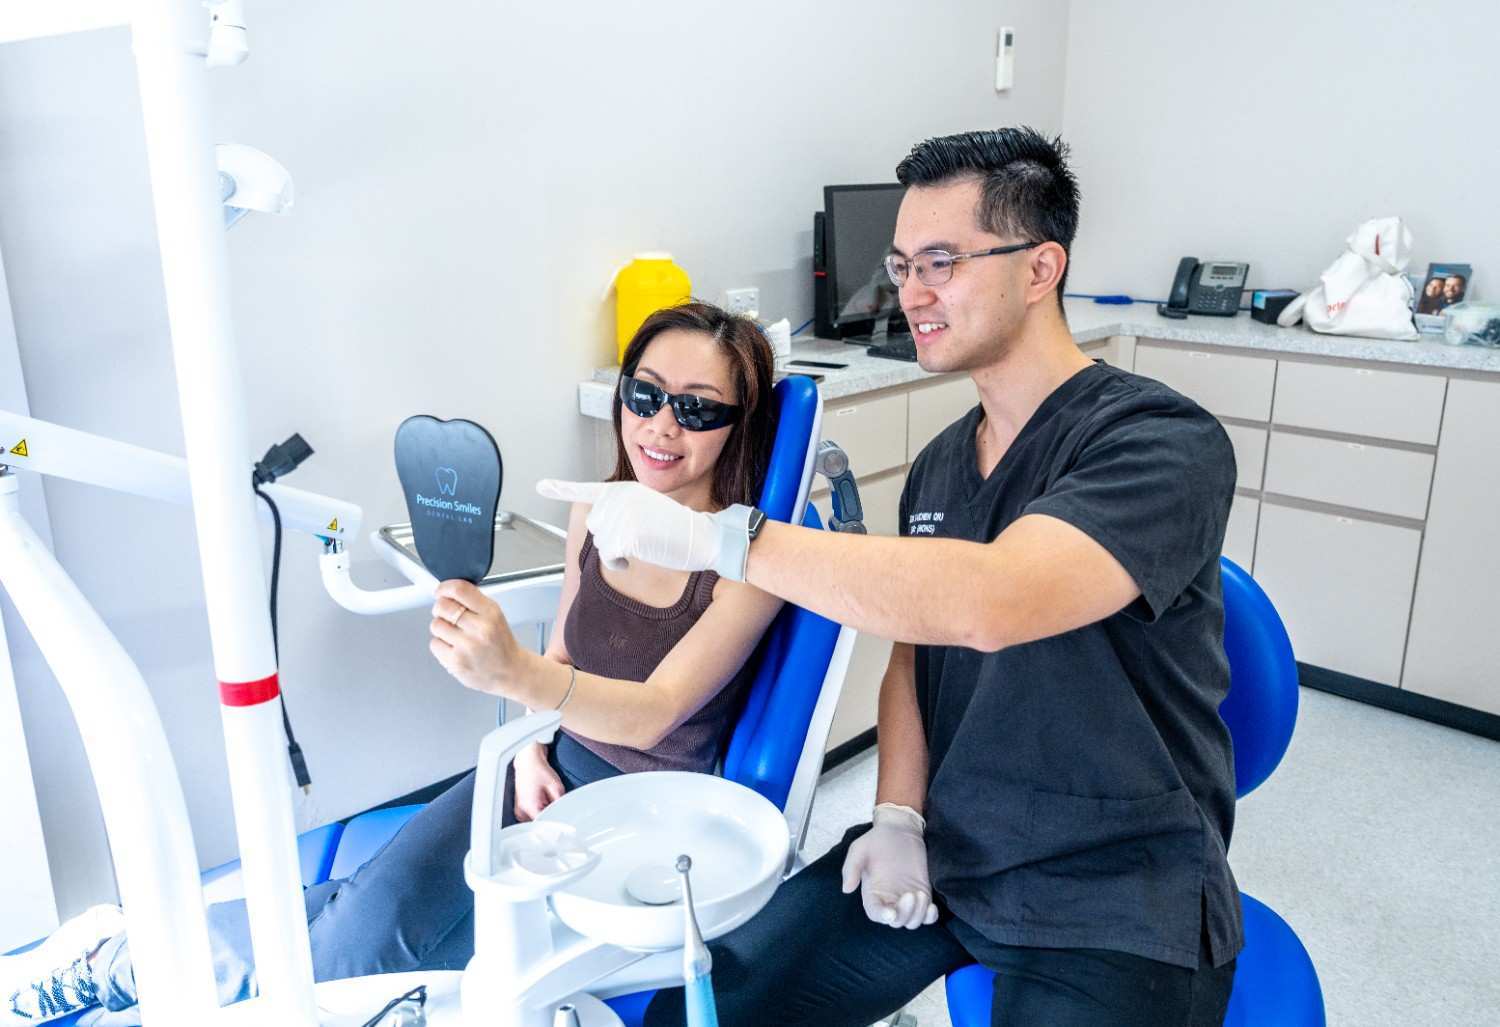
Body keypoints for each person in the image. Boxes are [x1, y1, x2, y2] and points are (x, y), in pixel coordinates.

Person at [547, 127, 1243, 1026]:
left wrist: (727, 541)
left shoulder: (1160, 442)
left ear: (1040, 268)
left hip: (1114, 889)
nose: (908, 293)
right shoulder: (944, 465)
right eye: (902, 264)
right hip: (957, 849)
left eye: (942, 263)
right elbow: (916, 659)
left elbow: (992, 600)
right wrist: (898, 817)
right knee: (697, 1013)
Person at [2, 302, 783, 1026]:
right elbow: (561, 654)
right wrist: (532, 746)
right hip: (543, 773)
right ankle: (127, 957)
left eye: (697, 408)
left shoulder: (756, 557)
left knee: (361, 954)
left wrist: (516, 678)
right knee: (369, 908)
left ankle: (136, 964)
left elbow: (653, 710)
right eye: (644, 395)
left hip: (640, 814)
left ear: (739, 426)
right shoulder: (595, 507)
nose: (660, 425)